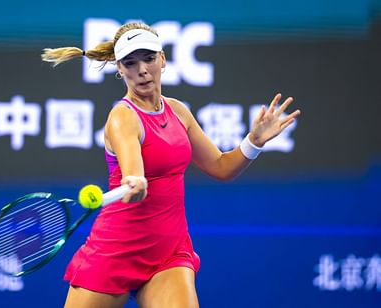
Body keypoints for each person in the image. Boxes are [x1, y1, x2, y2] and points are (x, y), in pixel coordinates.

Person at [42, 22, 301, 308]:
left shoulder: (178, 111)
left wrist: (254, 141)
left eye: (149, 58)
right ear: (120, 69)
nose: (142, 70)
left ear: (162, 59)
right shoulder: (122, 117)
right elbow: (133, 174)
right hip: (116, 250)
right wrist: (135, 182)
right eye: (130, 63)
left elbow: (221, 167)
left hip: (169, 252)